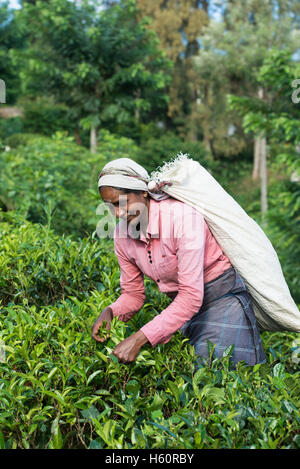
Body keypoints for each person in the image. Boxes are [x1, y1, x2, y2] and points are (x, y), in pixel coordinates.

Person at [91, 158, 266, 367]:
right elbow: (133, 295)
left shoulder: (183, 219)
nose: (118, 213)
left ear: (143, 192)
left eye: (122, 202)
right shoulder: (122, 235)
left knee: (213, 373)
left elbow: (191, 296)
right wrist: (111, 312)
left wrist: (139, 339)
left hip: (222, 300)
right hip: (183, 307)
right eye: (110, 206)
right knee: (181, 375)